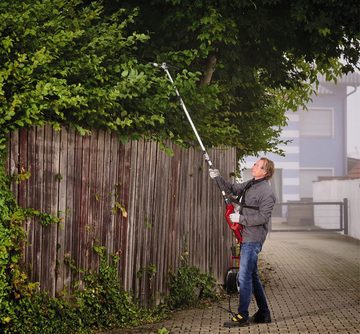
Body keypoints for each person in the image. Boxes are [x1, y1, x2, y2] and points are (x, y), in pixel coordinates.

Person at [209, 157, 276, 327]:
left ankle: (243, 315)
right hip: (246, 235)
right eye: (255, 164)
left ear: (265, 172)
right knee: (253, 277)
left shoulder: (267, 193)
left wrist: (241, 218)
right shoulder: (250, 184)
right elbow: (231, 188)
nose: (253, 167)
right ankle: (264, 313)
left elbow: (262, 217)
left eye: (257, 165)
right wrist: (217, 177)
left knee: (244, 276)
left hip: (254, 238)